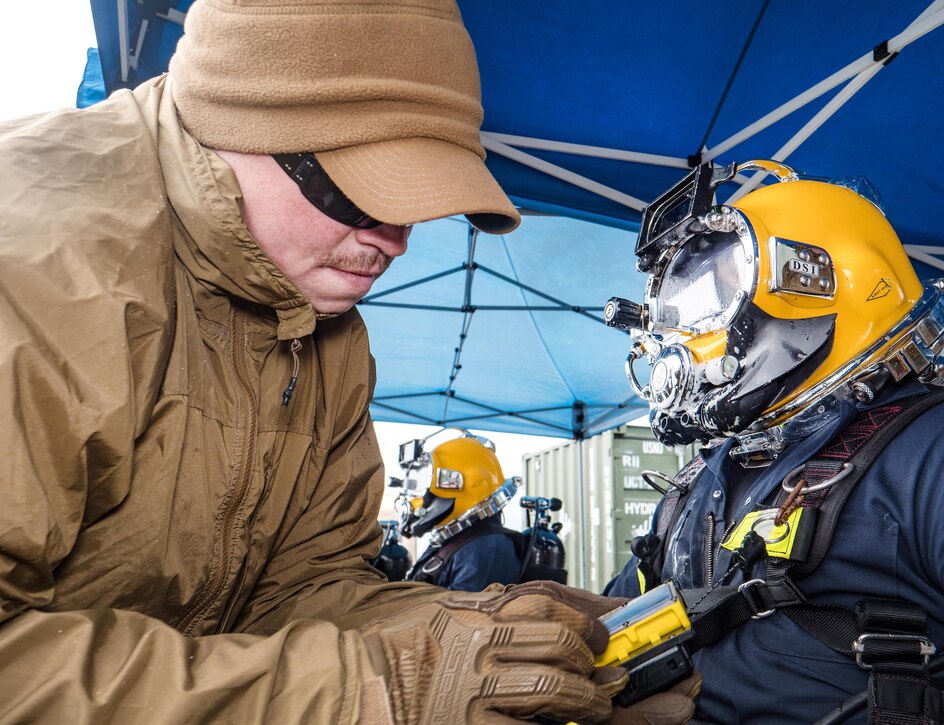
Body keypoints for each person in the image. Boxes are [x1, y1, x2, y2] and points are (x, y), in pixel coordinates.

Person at [0, 1, 701, 722]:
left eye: (413, 202)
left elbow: (298, 588)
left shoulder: (325, 329)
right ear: (240, 120)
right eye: (362, 193)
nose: (395, 239)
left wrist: (466, 634)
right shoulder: (35, 258)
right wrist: (368, 693)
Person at [603, 159, 944, 723]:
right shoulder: (698, 483)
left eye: (710, 296)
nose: (680, 333)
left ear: (814, 278)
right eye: (673, 311)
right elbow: (608, 622)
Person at [396, 430, 525, 591]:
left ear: (469, 483)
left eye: (424, 480)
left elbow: (461, 614)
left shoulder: (484, 548)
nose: (417, 495)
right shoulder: (456, 540)